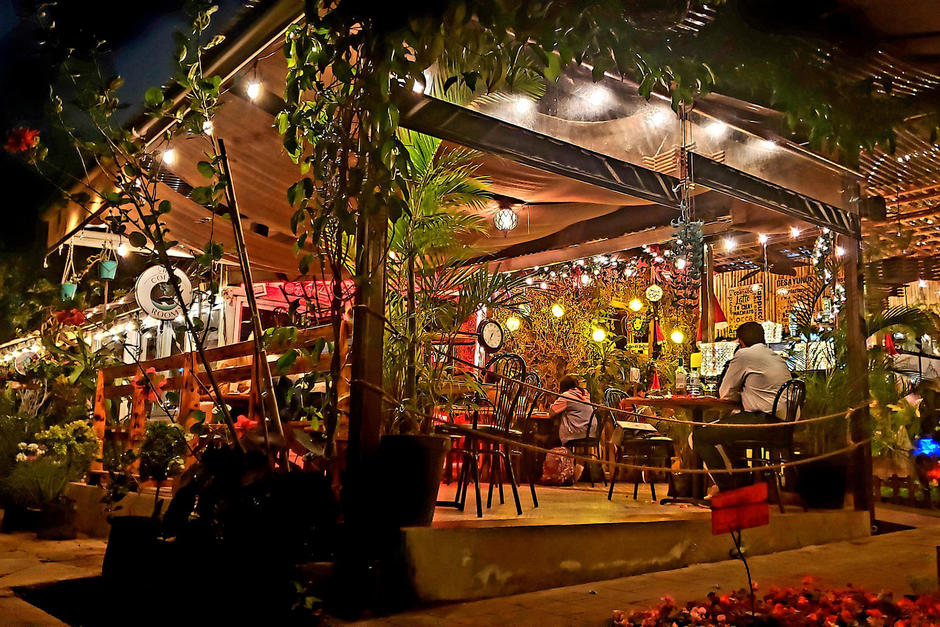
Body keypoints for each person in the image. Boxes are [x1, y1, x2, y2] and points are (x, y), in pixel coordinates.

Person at [692, 321, 793, 492]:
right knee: (729, 432)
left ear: (741, 342)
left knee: (700, 437)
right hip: (784, 425)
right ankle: (742, 482)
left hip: (763, 421)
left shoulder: (744, 355)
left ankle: (728, 488)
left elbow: (725, 392)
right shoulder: (776, 356)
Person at [549, 375, 597, 446]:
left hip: (576, 434)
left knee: (552, 439)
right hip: (591, 432)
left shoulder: (567, 396)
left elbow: (552, 412)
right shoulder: (585, 394)